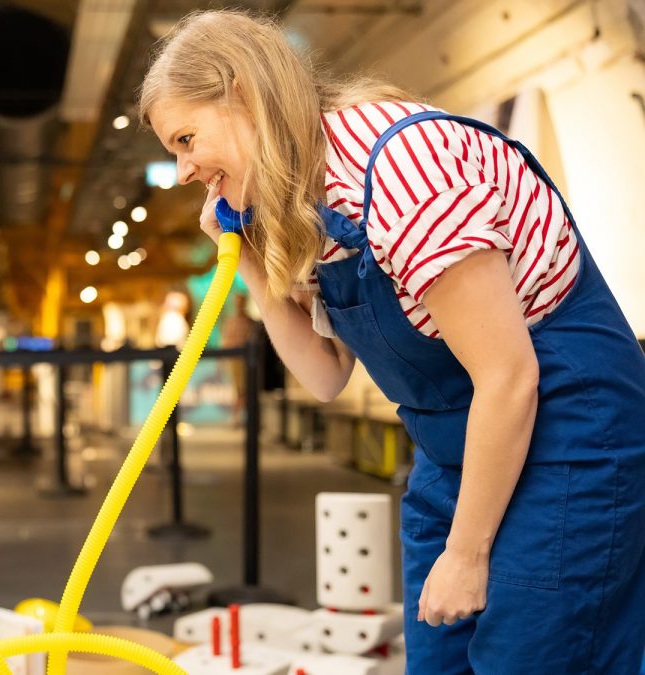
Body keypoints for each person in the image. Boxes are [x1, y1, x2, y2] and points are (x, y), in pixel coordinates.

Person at [140, 9, 645, 673]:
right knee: (437, 659)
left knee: (528, 654)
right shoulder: (308, 198)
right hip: (455, 446)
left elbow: (509, 375)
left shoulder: (404, 168)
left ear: (241, 93)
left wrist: (467, 553)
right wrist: (253, 265)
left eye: (185, 138)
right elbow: (325, 376)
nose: (181, 171)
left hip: (567, 433)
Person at [219, 293, 257, 422]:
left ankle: (245, 418)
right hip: (235, 360)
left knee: (246, 389)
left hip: (247, 361)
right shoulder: (231, 321)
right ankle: (238, 417)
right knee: (239, 390)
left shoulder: (250, 322)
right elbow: (226, 340)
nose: (239, 304)